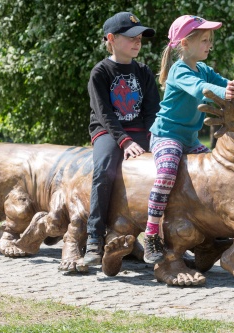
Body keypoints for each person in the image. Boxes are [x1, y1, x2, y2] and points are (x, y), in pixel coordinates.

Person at [144, 15, 234, 264]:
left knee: (216, 175)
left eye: (210, 40)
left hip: (189, 138)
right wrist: (225, 92)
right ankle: (152, 232)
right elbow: (201, 89)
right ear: (185, 44)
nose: (209, 45)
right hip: (167, 136)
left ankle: (212, 234)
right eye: (204, 40)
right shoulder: (180, 71)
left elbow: (228, 86)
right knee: (167, 173)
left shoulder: (204, 69)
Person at [84, 12, 161, 265]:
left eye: (139, 38)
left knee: (170, 164)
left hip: (141, 130)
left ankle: (163, 238)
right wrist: (124, 142)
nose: (137, 42)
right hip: (108, 131)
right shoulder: (101, 72)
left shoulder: (144, 71)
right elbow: (104, 113)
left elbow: (152, 111)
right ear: (111, 39)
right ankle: (94, 238)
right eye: (130, 37)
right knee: (104, 171)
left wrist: (156, 140)